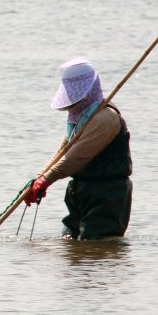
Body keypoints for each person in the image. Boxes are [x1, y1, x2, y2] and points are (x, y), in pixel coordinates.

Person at [24, 57, 133, 240]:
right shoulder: (81, 118)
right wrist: (39, 178)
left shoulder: (105, 118)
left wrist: (47, 180)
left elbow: (75, 157)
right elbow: (64, 151)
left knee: (97, 244)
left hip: (107, 193)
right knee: (70, 242)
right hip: (80, 189)